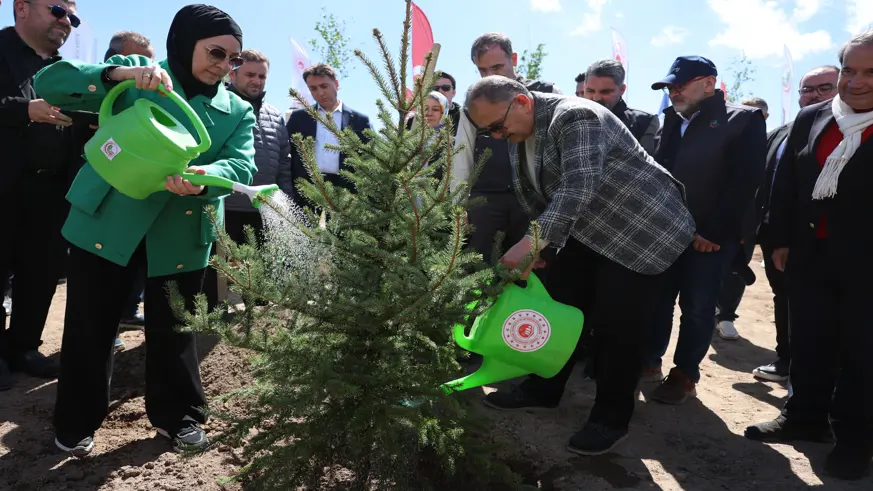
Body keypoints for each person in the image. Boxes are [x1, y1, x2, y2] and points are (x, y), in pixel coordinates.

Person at [33, 4, 256, 457]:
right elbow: (50, 84)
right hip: (109, 222)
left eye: (234, 59)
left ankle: (180, 417)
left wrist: (203, 176)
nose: (224, 66)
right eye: (216, 52)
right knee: (90, 326)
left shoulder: (236, 110)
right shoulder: (140, 73)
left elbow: (242, 164)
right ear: (185, 42)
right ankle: (76, 423)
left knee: (176, 330)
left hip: (179, 232)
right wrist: (118, 76)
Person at [465, 76, 695, 455]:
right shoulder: (520, 133)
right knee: (560, 308)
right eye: (489, 131)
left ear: (522, 102)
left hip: (640, 232)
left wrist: (529, 242)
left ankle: (610, 418)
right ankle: (543, 389)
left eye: (497, 125)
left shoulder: (576, 116)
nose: (497, 135)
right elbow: (539, 192)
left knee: (617, 329)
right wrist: (542, 247)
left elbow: (577, 186)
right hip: (588, 232)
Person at [745, 30, 873, 481]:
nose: (856, 82)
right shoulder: (815, 117)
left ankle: (856, 441)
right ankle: (804, 418)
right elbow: (788, 185)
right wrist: (778, 237)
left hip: (865, 266)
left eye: (870, 72)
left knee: (862, 355)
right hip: (809, 256)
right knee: (809, 342)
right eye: (850, 71)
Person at [642, 56, 767, 405]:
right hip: (665, 232)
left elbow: (745, 182)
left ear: (709, 83)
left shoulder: (743, 120)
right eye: (669, 87)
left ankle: (684, 375)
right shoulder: (670, 119)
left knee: (698, 307)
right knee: (658, 301)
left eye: (680, 85)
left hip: (709, 238)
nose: (673, 92)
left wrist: (714, 231)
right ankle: (649, 361)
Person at [0, 0, 79, 390]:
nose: (67, 22)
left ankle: (24, 348)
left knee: (41, 273)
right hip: (4, 187)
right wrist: (23, 110)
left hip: (51, 192)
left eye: (72, 17)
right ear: (21, 8)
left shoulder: (66, 72)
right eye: (58, 10)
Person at [751, 65, 839, 382]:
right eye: (807, 89)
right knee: (784, 298)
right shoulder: (780, 133)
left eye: (824, 87)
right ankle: (786, 360)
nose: (813, 95)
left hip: (828, 239)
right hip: (777, 236)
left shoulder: (848, 133)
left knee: (825, 308)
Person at [451, 33, 562, 267]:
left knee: (535, 273)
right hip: (486, 204)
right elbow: (462, 154)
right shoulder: (473, 102)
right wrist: (459, 207)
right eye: (483, 70)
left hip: (533, 203)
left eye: (497, 67)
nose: (490, 76)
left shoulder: (547, 93)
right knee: (477, 273)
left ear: (513, 59)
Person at [714, 96, 770, 341]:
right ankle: (713, 309)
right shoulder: (723, 142)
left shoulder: (774, 142)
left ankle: (726, 316)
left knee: (737, 272)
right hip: (718, 221)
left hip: (749, 225)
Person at [225, 49, 293, 244]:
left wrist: (285, 203)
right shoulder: (218, 107)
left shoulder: (274, 114)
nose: (257, 80)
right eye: (250, 75)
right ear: (232, 74)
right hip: (227, 210)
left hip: (266, 210)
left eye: (262, 76)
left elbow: (284, 164)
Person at [286, 63, 372, 210]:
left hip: (346, 193)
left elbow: (370, 158)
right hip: (307, 189)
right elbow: (287, 153)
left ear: (336, 84)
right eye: (313, 88)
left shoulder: (359, 120)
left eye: (324, 86)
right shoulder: (298, 118)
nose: (320, 93)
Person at [582, 59, 659, 156]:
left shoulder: (644, 123)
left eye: (605, 92)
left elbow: (645, 166)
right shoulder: (569, 119)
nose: (596, 98)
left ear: (622, 90)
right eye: (590, 91)